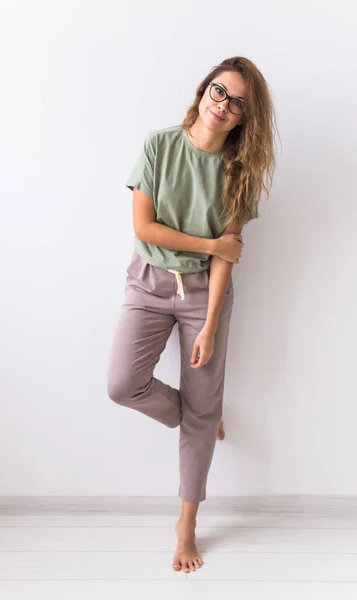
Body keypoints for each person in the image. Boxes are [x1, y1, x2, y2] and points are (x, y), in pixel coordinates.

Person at [107, 56, 278, 574]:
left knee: (203, 401)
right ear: (204, 89)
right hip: (150, 281)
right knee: (123, 384)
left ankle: (186, 526)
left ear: (246, 118)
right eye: (218, 91)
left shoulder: (238, 172)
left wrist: (208, 323)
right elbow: (146, 229)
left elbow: (228, 258)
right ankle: (201, 419)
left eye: (237, 103)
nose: (222, 104)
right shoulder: (159, 146)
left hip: (206, 293)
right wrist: (209, 243)